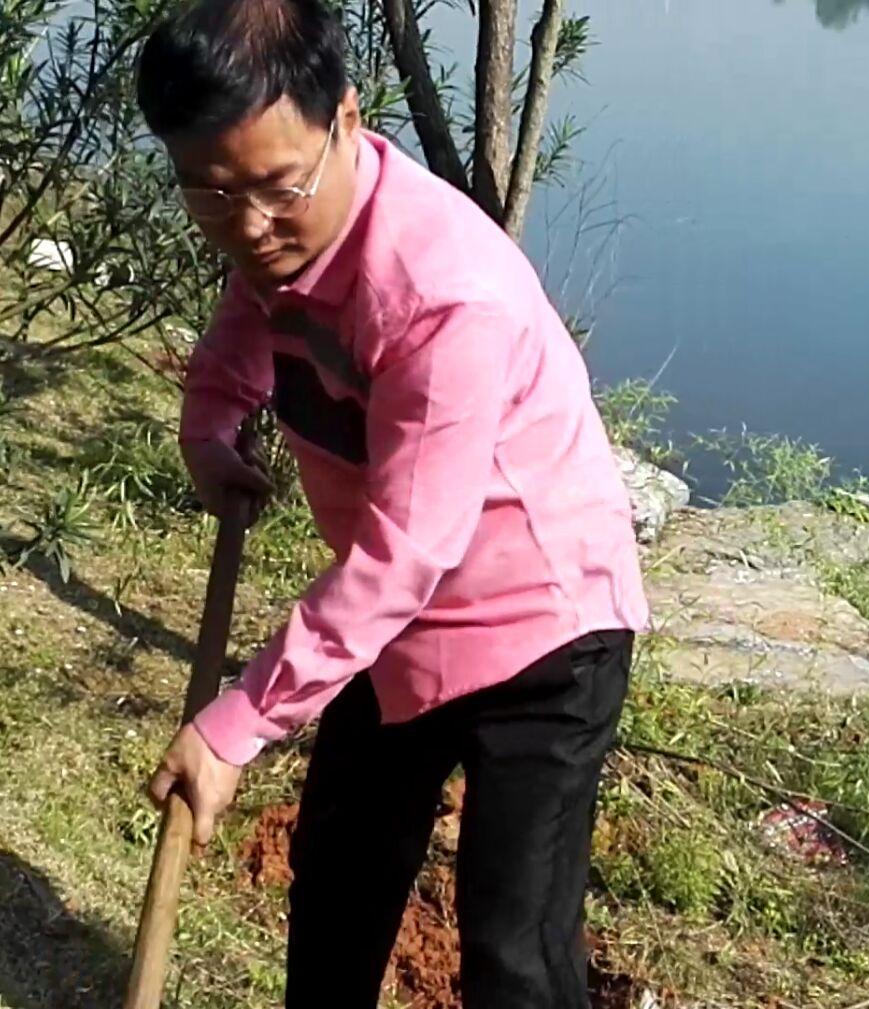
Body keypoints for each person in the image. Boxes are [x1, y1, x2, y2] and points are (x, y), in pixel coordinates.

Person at [134, 2, 649, 1005]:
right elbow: (253, 304)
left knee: (513, 945)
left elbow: (404, 553)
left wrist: (240, 720)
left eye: (277, 188)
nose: (249, 225)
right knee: (340, 870)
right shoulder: (276, 235)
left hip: (543, 627)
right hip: (399, 623)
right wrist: (211, 424)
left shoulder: (442, 293)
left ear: (347, 118)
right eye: (212, 193)